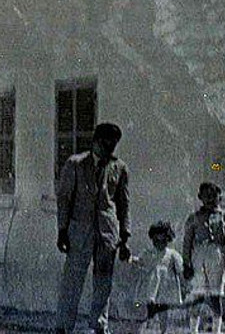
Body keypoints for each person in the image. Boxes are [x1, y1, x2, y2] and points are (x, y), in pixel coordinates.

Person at [56, 122, 129, 334]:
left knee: (103, 282)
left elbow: (124, 204)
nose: (109, 149)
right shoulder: (75, 164)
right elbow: (64, 200)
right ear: (95, 141)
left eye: (113, 145)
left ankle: (98, 326)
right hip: (79, 233)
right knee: (72, 281)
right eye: (105, 143)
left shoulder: (120, 168)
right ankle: (63, 326)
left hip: (107, 234)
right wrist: (62, 230)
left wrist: (124, 235)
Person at [183, 182, 225, 334]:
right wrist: (186, 264)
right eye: (206, 196)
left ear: (219, 197)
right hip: (198, 257)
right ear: (200, 197)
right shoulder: (194, 218)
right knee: (198, 294)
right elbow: (187, 242)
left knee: (215, 295)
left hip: (217, 256)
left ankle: (216, 330)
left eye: (213, 196)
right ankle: (193, 330)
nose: (210, 199)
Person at [134, 221, 183, 333]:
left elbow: (180, 267)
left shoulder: (171, 254)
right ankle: (146, 328)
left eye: (163, 241)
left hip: (165, 287)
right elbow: (140, 261)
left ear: (168, 239)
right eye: (156, 241)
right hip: (151, 287)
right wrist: (131, 259)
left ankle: (163, 331)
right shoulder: (149, 252)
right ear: (153, 240)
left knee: (163, 310)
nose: (160, 243)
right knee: (150, 309)